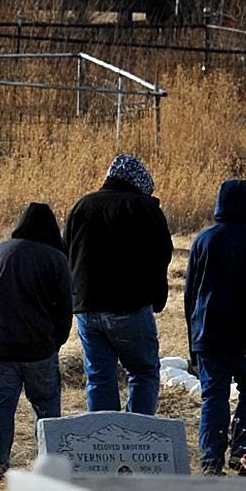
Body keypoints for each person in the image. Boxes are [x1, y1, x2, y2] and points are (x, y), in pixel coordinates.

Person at [63, 153, 173, 414]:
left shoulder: (82, 206)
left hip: (86, 308)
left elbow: (66, 253)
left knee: (99, 377)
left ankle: (104, 443)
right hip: (129, 306)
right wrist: (157, 298)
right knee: (143, 372)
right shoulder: (144, 208)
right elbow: (160, 256)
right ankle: (136, 439)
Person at [0, 202, 71, 480]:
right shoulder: (55, 259)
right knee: (47, 408)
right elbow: (64, 308)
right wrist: (56, 341)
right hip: (39, 348)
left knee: (1, 406)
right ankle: (50, 470)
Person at [184, 178, 246, 476]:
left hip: (206, 334)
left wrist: (192, 340)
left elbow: (190, 294)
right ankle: (243, 451)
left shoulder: (203, 240)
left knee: (213, 396)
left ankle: (210, 461)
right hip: (243, 334)